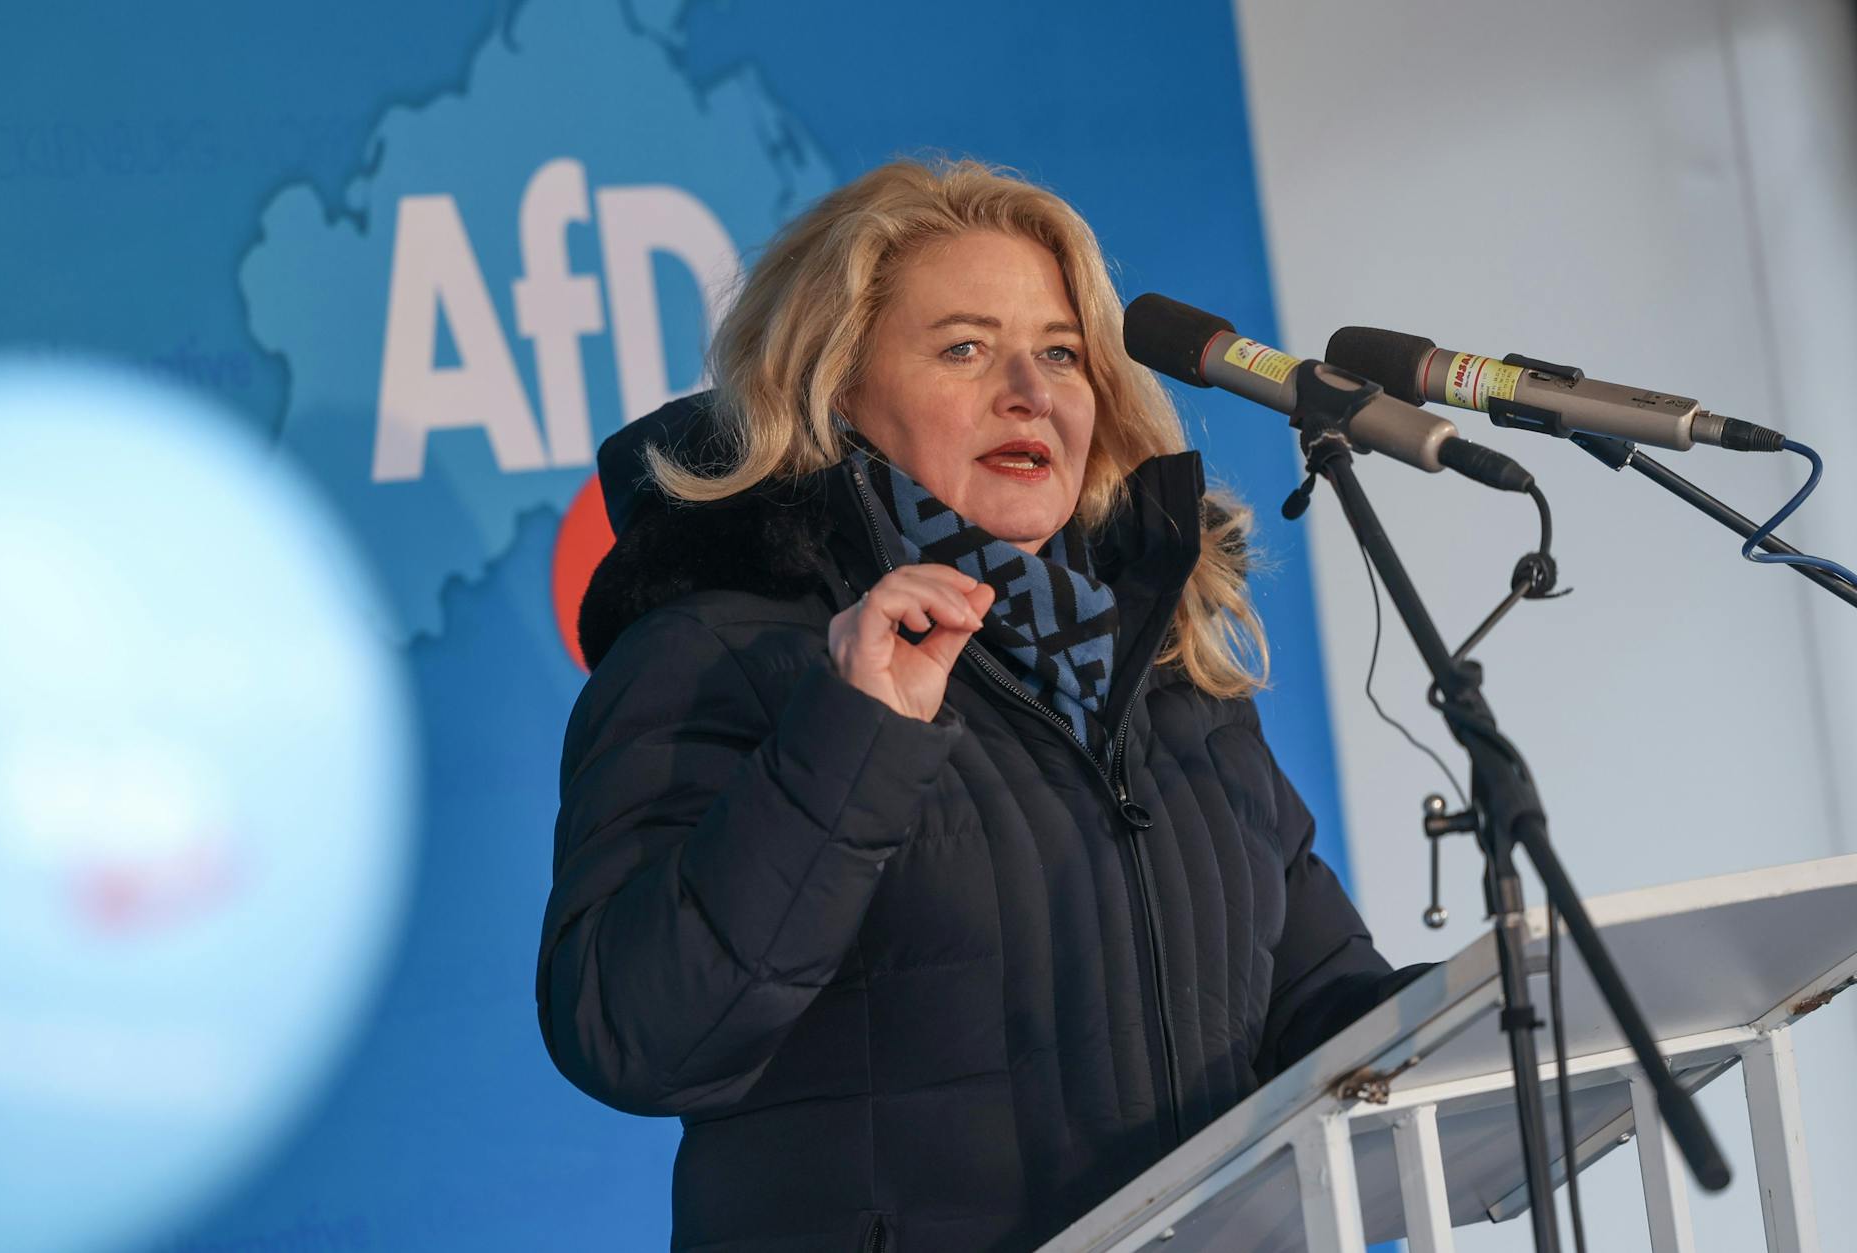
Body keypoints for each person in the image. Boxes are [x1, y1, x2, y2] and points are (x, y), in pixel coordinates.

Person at [536, 158, 1422, 1253]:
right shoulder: (719, 648)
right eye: (963, 347)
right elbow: (636, 1034)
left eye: (1059, 352)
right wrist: (854, 732)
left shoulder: (1165, 669)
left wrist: (1524, 1015)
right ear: (833, 389)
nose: (1031, 390)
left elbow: (1322, 1016)